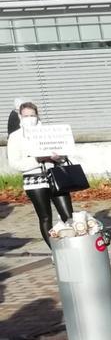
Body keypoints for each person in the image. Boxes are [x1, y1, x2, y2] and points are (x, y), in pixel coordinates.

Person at [7, 102, 74, 247]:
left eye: (32, 115)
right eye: (26, 116)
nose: (30, 118)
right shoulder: (15, 137)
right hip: (34, 180)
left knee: (68, 215)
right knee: (45, 217)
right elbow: (15, 163)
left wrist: (58, 157)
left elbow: (63, 151)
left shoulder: (48, 132)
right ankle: (55, 250)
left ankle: (71, 244)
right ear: (20, 116)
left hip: (55, 177)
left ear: (37, 116)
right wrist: (37, 160)